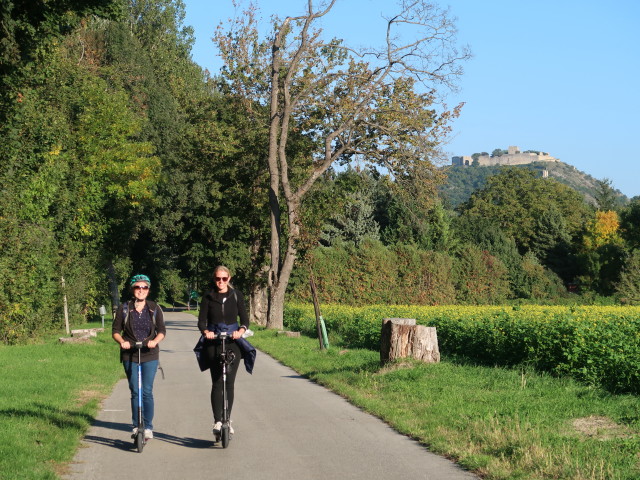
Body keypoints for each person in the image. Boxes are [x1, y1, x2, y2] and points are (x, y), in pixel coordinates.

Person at [112, 274, 166, 441]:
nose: (141, 290)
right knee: (135, 391)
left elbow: (162, 331)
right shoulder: (124, 308)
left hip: (150, 354)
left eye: (144, 287)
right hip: (130, 354)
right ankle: (136, 426)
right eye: (137, 287)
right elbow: (115, 331)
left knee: (147, 391)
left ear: (148, 290)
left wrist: (154, 341)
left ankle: (148, 427)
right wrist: (122, 342)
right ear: (132, 289)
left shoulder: (154, 308)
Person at [198, 266, 250, 438]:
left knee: (229, 382)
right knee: (217, 382)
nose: (220, 282)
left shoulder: (236, 295)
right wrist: (207, 332)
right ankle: (218, 420)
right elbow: (201, 322)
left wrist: (240, 331)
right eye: (217, 279)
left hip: (231, 342)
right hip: (214, 343)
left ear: (229, 278)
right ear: (214, 279)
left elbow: (245, 320)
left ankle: (227, 419)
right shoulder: (208, 297)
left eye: (224, 279)